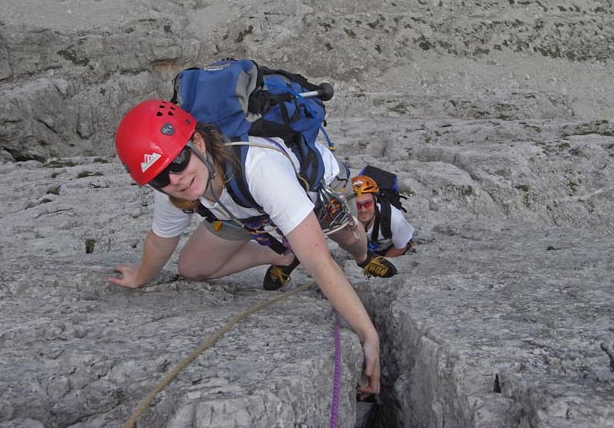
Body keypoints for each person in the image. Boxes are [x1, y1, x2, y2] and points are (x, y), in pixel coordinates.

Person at [109, 99, 399, 399]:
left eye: (178, 161)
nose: (174, 179)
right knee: (192, 268)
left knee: (349, 239)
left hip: (315, 188)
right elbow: (160, 241)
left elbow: (319, 261)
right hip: (243, 207)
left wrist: (368, 334)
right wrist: (140, 275)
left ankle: (365, 257)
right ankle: (284, 253)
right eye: (158, 176)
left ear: (198, 142)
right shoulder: (175, 187)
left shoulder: (259, 167)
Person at [352, 175, 415, 257]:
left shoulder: (394, 219)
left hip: (389, 248)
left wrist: (381, 262)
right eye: (358, 205)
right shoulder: (345, 217)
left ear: (375, 200)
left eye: (367, 203)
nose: (363, 210)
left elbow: (401, 247)